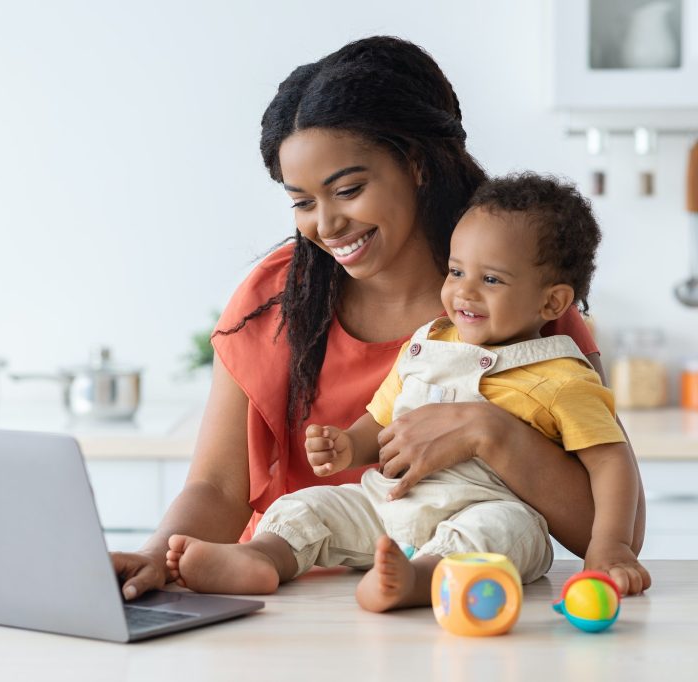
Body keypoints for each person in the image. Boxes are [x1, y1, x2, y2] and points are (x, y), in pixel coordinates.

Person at [111, 35, 647, 602]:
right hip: (285, 605)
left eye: (348, 190)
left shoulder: (517, 302)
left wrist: (490, 433)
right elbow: (218, 486)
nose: (327, 224)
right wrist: (154, 557)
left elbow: (612, 531)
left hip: (450, 605)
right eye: (302, 202)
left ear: (415, 163)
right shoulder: (276, 295)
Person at [164, 173, 651, 609]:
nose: (464, 292)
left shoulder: (563, 376)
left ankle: (420, 580)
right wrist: (349, 445)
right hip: (387, 504)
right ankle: (262, 558)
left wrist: (610, 545)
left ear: (552, 301)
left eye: (491, 280)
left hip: (478, 510)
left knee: (507, 532)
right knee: (307, 506)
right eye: (457, 272)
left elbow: (611, 462)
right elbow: (381, 418)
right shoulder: (429, 343)